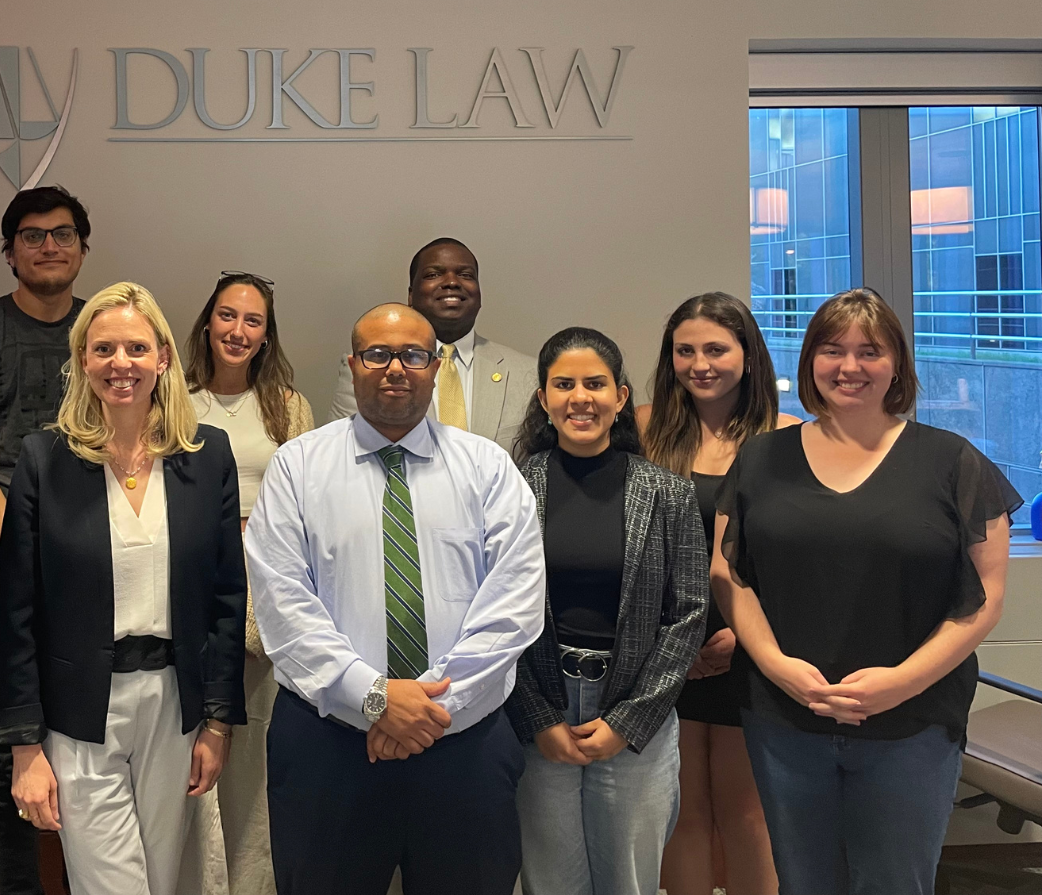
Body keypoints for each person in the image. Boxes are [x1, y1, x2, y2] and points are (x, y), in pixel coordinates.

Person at [714, 288, 1019, 895]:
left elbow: (985, 594)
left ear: (897, 365)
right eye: (832, 350)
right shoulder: (760, 458)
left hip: (911, 724)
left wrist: (901, 681)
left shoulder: (953, 463)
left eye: (869, 352)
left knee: (894, 883)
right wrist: (774, 665)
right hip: (785, 717)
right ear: (809, 362)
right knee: (804, 881)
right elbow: (730, 575)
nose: (849, 366)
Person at [248, 303, 546, 895]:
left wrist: (426, 709)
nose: (395, 369)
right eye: (377, 354)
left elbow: (514, 602)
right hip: (327, 745)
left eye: (413, 355)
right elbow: (284, 603)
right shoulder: (296, 467)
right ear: (353, 364)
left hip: (464, 742)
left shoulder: (486, 467)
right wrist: (376, 698)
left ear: (435, 366)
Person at [0, 282, 247, 895]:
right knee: (112, 886)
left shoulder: (207, 455)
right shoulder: (44, 458)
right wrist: (24, 746)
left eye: (136, 348)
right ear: (83, 360)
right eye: (103, 349)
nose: (120, 364)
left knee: (162, 882)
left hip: (174, 705)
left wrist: (218, 722)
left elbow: (226, 600)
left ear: (163, 357)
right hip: (80, 708)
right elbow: (15, 612)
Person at [508, 326, 707, 895]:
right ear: (544, 398)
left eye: (595, 384)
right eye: (563, 384)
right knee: (550, 880)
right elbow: (487, 614)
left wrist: (629, 720)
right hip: (540, 708)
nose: (580, 398)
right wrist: (537, 717)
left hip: (632, 708)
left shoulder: (668, 494)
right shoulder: (512, 490)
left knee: (632, 881)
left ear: (620, 397)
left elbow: (688, 613)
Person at [0, 185, 90, 895]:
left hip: (101, 560)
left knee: (94, 742)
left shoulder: (105, 329)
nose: (49, 245)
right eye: (31, 236)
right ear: (10, 252)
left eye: (63, 234)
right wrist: (24, 535)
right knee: (12, 754)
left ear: (84, 248)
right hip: (6, 561)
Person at [639, 293, 796, 895]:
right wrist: (674, 638)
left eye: (715, 348)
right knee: (681, 811)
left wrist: (745, 633)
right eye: (685, 350)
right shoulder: (647, 429)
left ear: (748, 356)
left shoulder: (785, 438)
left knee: (746, 811)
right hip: (663, 647)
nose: (700, 363)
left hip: (750, 647)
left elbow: (795, 555)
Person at [182, 270, 315, 895]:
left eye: (253, 321)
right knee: (196, 745)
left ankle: (254, 884)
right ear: (208, 322)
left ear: (266, 336)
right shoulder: (172, 398)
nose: (238, 330)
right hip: (190, 589)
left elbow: (308, 504)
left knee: (255, 756)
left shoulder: (288, 405)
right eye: (228, 316)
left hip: (265, 595)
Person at [329, 238, 536, 452]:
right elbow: (343, 450)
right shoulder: (370, 364)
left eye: (465, 275)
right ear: (411, 295)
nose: (452, 282)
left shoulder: (528, 372)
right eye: (433, 274)